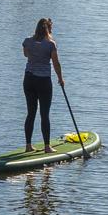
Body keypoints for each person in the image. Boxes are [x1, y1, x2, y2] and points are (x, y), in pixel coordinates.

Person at [22, 18, 66, 152]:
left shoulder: (27, 41)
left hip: (28, 79)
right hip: (43, 81)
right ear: (48, 29)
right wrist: (60, 79)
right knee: (44, 114)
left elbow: (26, 54)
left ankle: (28, 146)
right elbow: (56, 63)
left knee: (31, 113)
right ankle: (47, 146)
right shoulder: (50, 44)